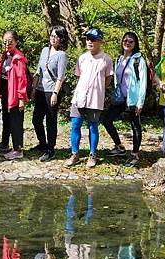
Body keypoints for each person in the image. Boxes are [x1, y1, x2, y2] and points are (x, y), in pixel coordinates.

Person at [65, 28, 113, 168]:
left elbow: (108, 79)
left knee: (93, 126)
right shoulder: (82, 58)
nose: (89, 42)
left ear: (100, 41)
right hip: (79, 97)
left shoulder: (106, 59)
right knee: (75, 125)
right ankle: (75, 154)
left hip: (95, 98)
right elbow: (79, 76)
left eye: (93, 39)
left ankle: (92, 155)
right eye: (87, 39)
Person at [102, 32, 148, 167]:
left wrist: (140, 103)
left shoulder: (139, 60)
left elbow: (143, 83)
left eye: (131, 41)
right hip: (120, 98)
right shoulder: (119, 59)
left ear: (135, 44)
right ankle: (119, 146)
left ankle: (134, 154)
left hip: (133, 99)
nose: (127, 43)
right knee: (107, 120)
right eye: (125, 40)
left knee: (135, 125)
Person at [32, 26, 69, 162]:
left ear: (61, 39)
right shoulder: (45, 51)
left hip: (52, 91)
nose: (53, 38)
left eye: (56, 36)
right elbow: (38, 71)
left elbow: (61, 77)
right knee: (36, 119)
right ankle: (42, 143)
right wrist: (33, 88)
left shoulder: (62, 55)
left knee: (50, 120)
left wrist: (55, 93)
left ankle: (50, 149)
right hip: (41, 90)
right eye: (52, 35)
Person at [0, 31, 29, 160]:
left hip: (15, 93)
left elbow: (22, 79)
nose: (7, 43)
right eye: (5, 41)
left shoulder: (18, 58)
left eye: (10, 41)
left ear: (16, 42)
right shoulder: (6, 55)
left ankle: (18, 149)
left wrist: (22, 98)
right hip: (6, 92)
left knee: (16, 120)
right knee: (7, 118)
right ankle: (8, 145)